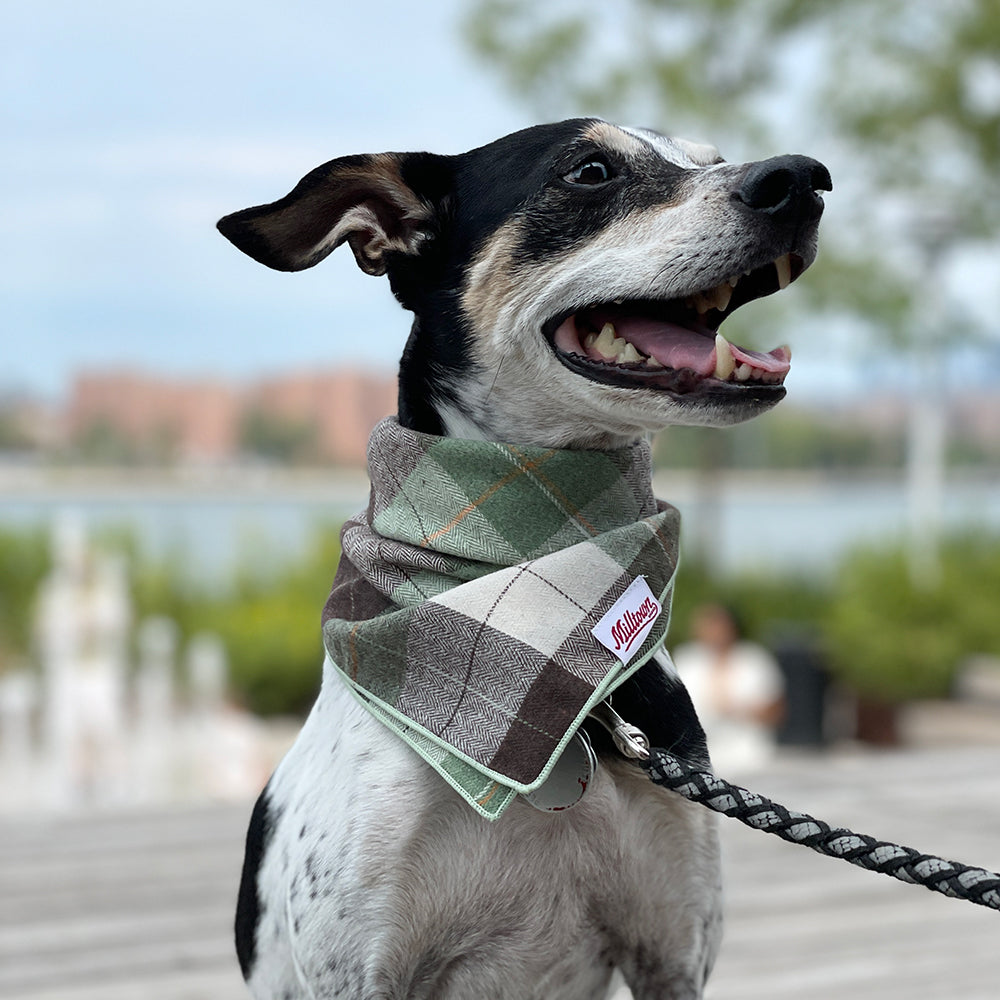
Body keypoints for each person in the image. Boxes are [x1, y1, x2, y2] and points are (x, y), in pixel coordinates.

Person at [672, 603, 784, 773]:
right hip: (698, 757)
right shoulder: (686, 659)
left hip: (749, 757)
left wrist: (740, 709)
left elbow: (776, 711)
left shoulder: (754, 659)